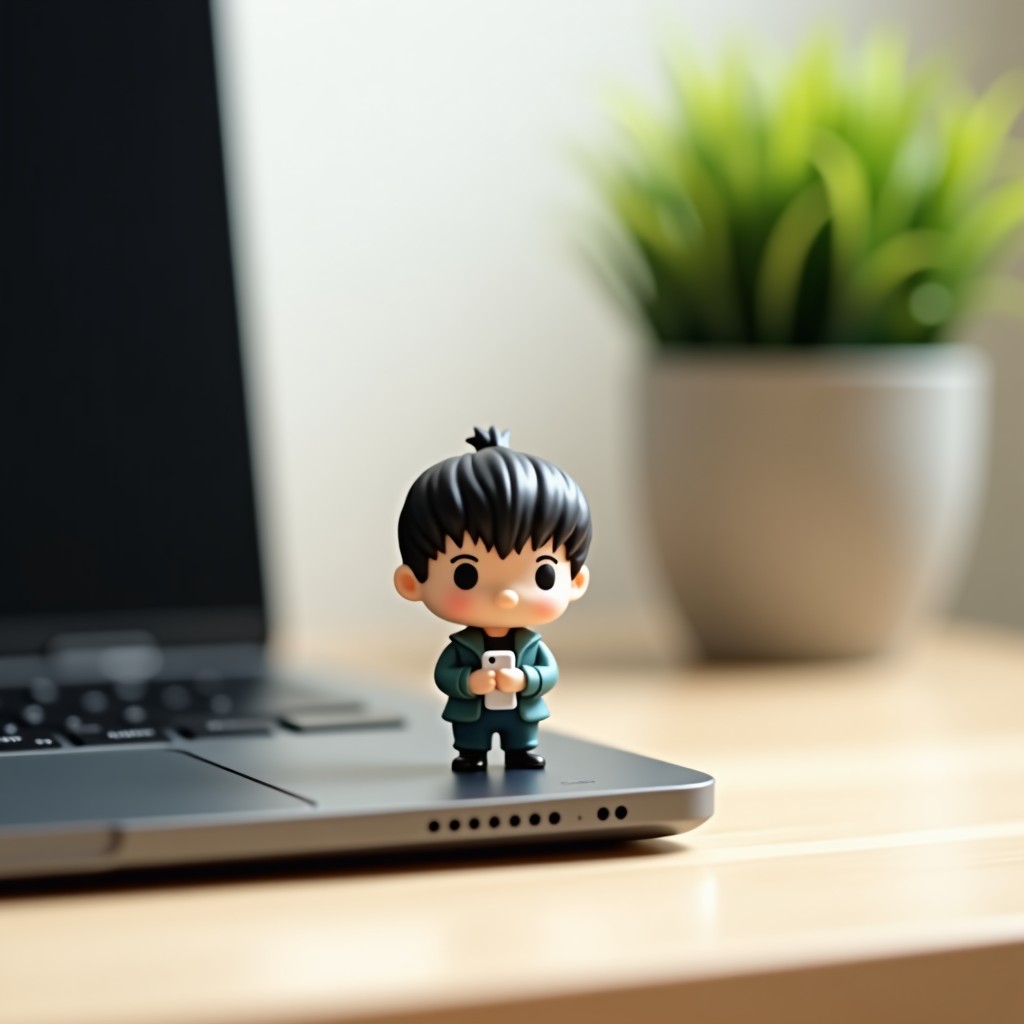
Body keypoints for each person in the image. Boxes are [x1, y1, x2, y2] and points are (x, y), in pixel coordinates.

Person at [394, 427, 592, 772]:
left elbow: (548, 673)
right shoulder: (461, 647)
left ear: (576, 582)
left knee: (521, 735)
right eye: (466, 575)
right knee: (472, 737)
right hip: (472, 715)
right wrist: (469, 682)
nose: (506, 595)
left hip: (521, 713)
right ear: (412, 583)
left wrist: (525, 680)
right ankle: (472, 754)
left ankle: (520, 752)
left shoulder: (531, 645)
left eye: (542, 574)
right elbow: (444, 674)